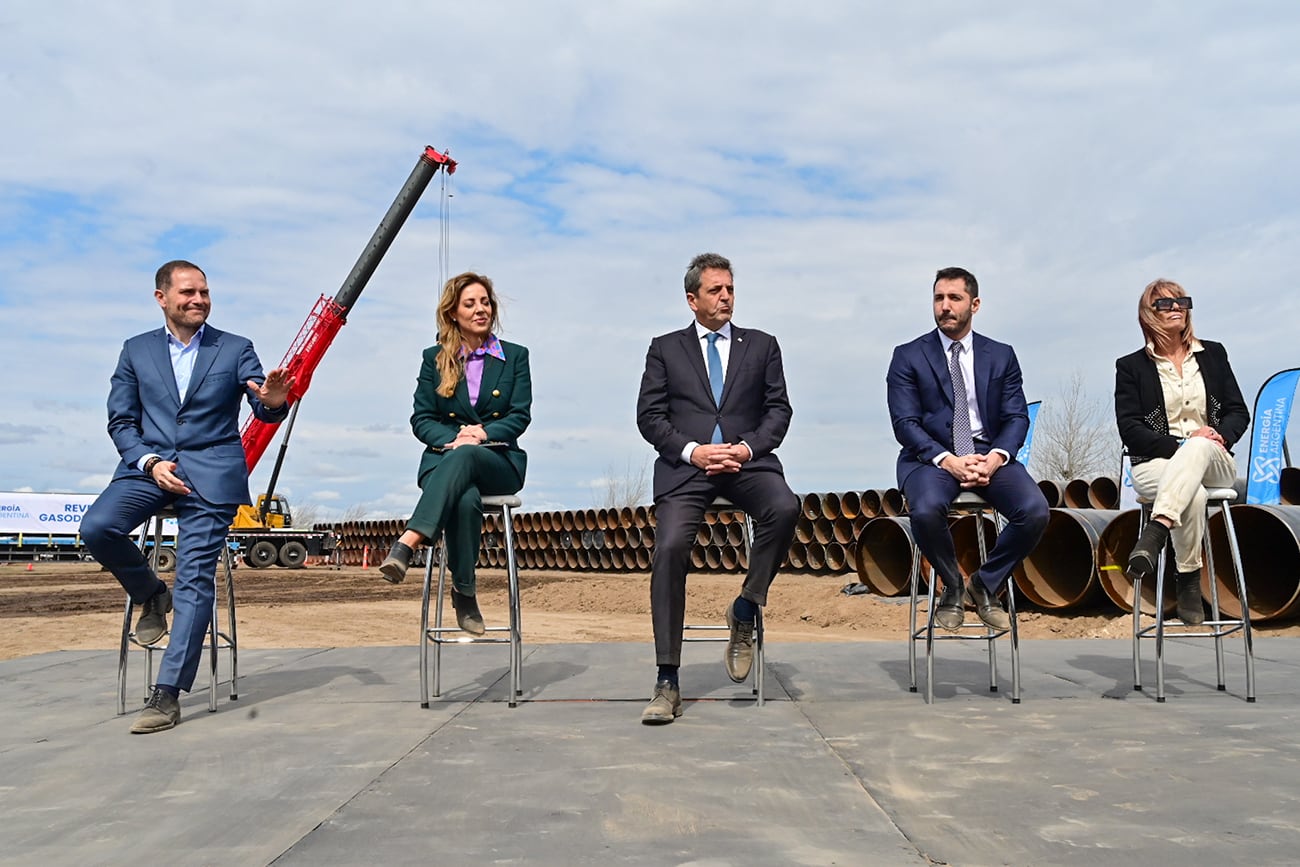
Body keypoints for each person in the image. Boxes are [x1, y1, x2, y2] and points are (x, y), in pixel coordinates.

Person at [81, 260, 294, 734]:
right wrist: (150, 463)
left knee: (196, 576)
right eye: (188, 293)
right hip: (149, 470)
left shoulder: (235, 347)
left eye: (204, 292)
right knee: (96, 528)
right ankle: (152, 593)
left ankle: (167, 693)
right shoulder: (135, 351)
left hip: (212, 476)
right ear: (162, 298)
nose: (198, 300)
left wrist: (275, 401)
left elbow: (263, 404)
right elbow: (121, 422)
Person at [635, 253, 800, 725]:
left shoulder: (762, 345)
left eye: (729, 288)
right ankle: (667, 679)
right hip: (687, 469)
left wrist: (747, 449)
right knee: (669, 548)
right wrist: (693, 451)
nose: (725, 296)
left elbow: (779, 411)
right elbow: (650, 417)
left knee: (785, 508)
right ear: (692, 299)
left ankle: (746, 607)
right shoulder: (665, 348)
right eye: (715, 290)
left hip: (748, 463)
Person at [885, 267, 1048, 632]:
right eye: (939, 298)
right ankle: (952, 584)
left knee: (1035, 511)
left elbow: (1016, 417)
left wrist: (994, 459)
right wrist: (949, 461)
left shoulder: (1001, 355)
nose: (945, 306)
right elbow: (905, 423)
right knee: (925, 511)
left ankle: (984, 583)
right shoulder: (908, 356)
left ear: (974, 304)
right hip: (931, 460)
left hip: (988, 456)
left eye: (954, 298)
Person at [378, 272, 531, 637]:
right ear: (452, 313)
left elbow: (520, 415)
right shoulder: (434, 359)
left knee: (466, 458)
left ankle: (408, 542)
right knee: (464, 498)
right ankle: (464, 591)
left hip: (497, 460)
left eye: (485, 302)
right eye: (470, 304)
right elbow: (422, 418)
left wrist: (482, 433)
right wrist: (453, 439)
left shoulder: (516, 357)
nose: (481, 310)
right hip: (445, 459)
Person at [1116, 278, 1249, 625]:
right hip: (1155, 464)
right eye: (1165, 303)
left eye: (1182, 302)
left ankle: (1157, 531)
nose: (1176, 307)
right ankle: (1188, 578)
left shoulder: (1214, 354)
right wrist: (1179, 445)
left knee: (1200, 446)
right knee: (1194, 492)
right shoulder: (1130, 367)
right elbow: (1130, 429)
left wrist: (1217, 437)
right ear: (1149, 314)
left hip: (1213, 457)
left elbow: (1238, 412)